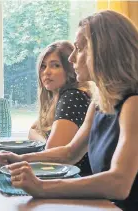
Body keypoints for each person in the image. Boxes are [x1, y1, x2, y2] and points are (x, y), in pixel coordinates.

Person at [0, 10, 138, 210]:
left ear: (104, 52)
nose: (71, 58)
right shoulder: (99, 103)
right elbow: (70, 153)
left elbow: (119, 183)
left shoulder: (136, 105)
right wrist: (21, 159)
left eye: (79, 49)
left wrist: (42, 187)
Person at [28, 40, 91, 175]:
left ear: (70, 69)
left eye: (55, 65)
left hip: (76, 181)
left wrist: (43, 144)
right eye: (43, 66)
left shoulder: (72, 96)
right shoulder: (57, 98)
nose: (46, 72)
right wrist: (44, 143)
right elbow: (33, 129)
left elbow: (52, 155)